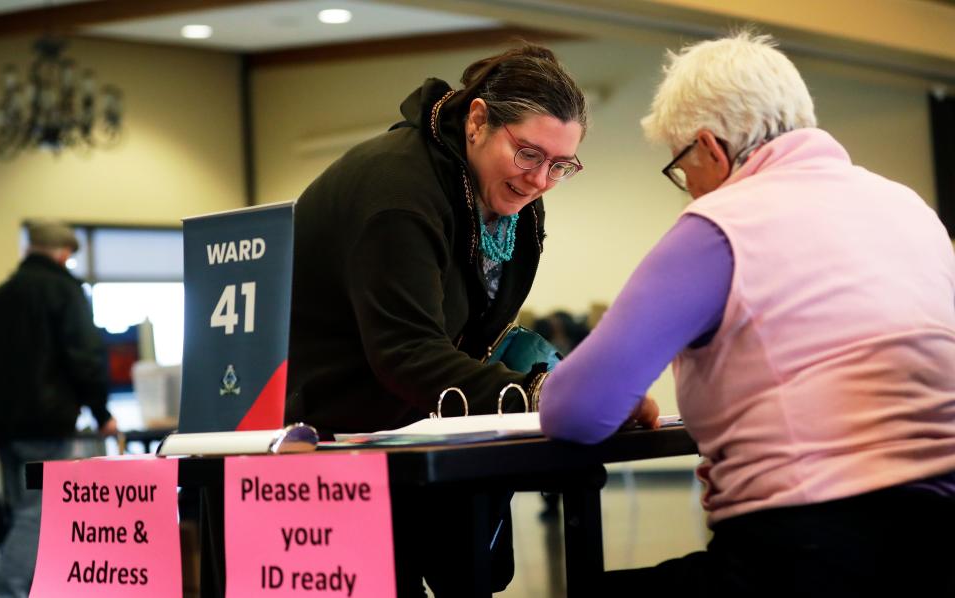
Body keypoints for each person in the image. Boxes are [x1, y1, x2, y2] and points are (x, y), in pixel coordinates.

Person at [538, 31, 955, 596]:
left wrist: (615, 394)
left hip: (812, 551)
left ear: (710, 148)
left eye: (681, 168)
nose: (688, 190)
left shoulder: (720, 225)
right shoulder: (910, 208)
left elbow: (577, 411)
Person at [285, 45, 587, 596]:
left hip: (420, 433)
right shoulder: (397, 192)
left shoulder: (506, 196)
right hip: (330, 446)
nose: (540, 180)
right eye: (527, 154)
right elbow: (406, 352)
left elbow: (473, 332)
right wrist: (541, 393)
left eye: (559, 166)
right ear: (476, 120)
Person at [0, 220, 118, 598]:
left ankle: (31, 587)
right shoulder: (65, 291)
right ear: (64, 254)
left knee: (18, 509)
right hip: (46, 422)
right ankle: (10, 589)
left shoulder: (3, 293)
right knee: (38, 511)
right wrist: (101, 412)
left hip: (3, 423)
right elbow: (84, 356)